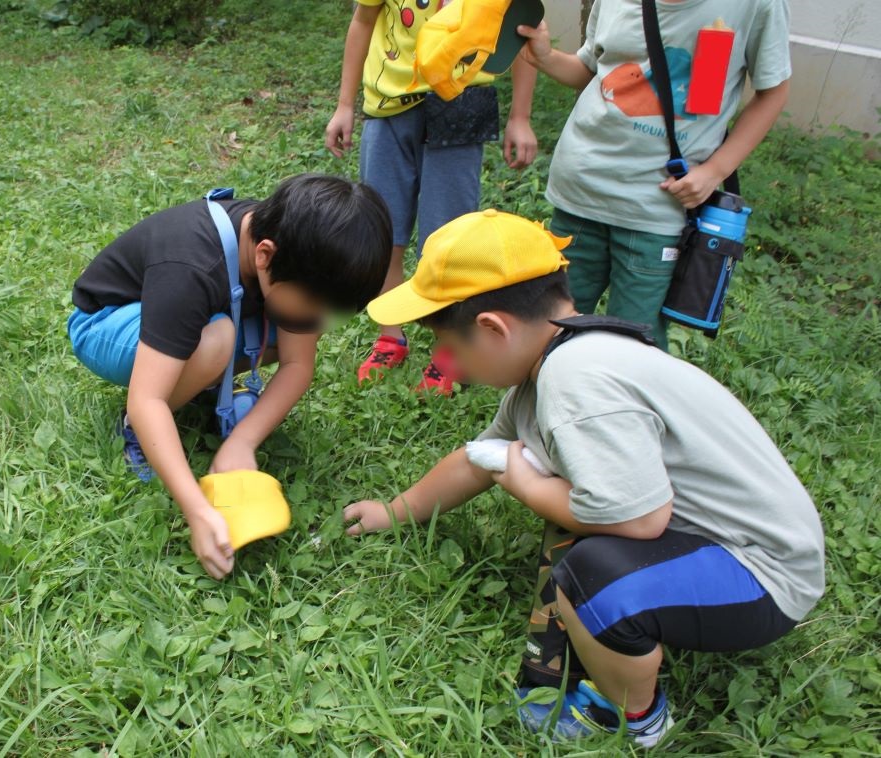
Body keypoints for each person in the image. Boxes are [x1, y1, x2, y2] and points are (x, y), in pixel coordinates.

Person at [343, 209, 824, 745]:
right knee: (577, 525)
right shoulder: (559, 359)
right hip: (718, 547)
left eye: (448, 346)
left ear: (493, 329)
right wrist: (394, 511)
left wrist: (525, 484)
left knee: (595, 577)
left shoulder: (576, 382)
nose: (443, 360)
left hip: (761, 574)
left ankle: (636, 718)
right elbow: (482, 456)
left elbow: (640, 519)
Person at [68, 174, 392, 580]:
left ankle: (196, 379)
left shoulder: (296, 250)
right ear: (264, 255)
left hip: (184, 317)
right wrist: (199, 511)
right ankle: (140, 430)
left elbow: (297, 364)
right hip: (106, 324)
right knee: (215, 341)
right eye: (314, 302)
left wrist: (242, 441)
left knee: (276, 331)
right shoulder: (191, 266)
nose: (319, 321)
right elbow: (145, 398)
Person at [516, 0, 791, 349]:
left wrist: (714, 171)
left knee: (632, 352)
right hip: (580, 191)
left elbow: (774, 91)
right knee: (549, 335)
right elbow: (591, 69)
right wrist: (546, 57)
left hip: (656, 210)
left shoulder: (756, 5)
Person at [325, 0, 540, 394]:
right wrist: (345, 105)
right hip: (388, 109)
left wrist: (520, 117)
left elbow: (522, 33)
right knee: (383, 230)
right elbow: (363, 20)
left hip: (461, 106)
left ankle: (451, 349)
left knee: (449, 243)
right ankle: (390, 337)